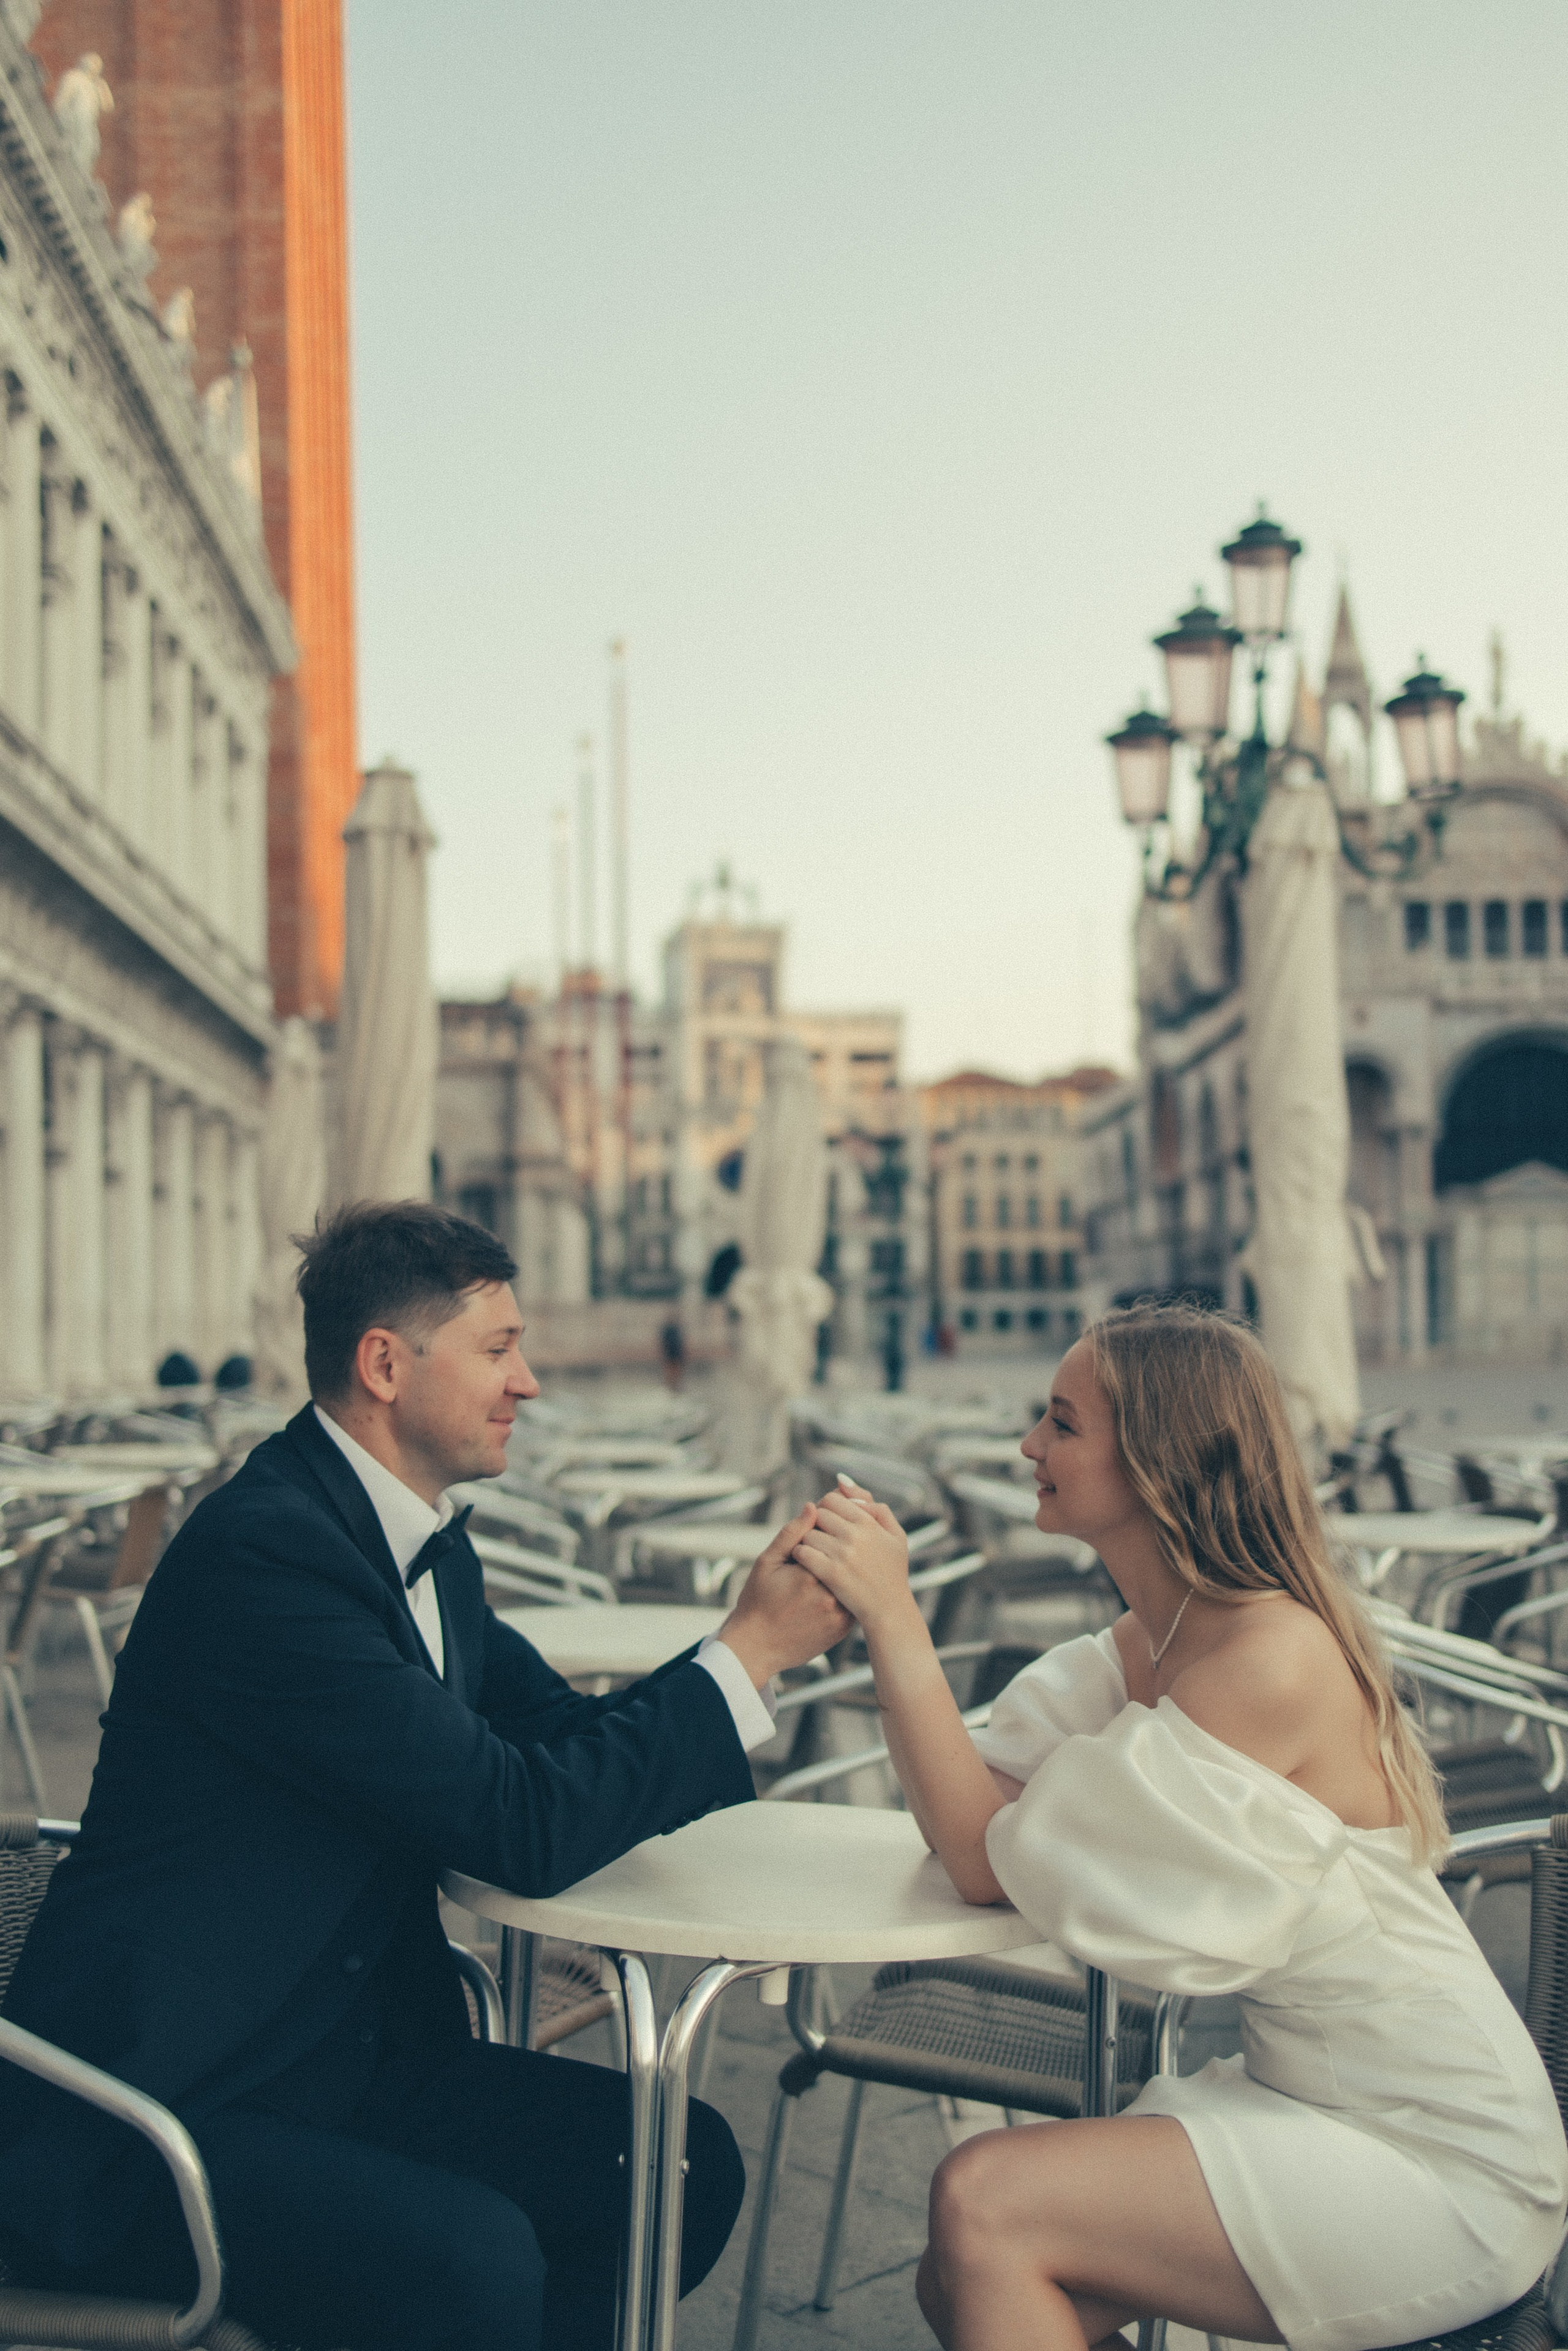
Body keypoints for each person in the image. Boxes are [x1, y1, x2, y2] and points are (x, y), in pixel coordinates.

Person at [0, 1201, 848, 2351]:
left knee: (679, 2164)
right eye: (499, 1348)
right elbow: (518, 1823)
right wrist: (742, 1657)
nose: (528, 1382)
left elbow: (550, 1735)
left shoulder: (423, 1542)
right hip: (162, 2110)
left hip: (346, 2059)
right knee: (474, 2259)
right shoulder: (268, 1553)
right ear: (386, 1365)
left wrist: (742, 1652)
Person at [793, 1302, 1568, 2351]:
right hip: (1311, 2100)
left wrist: (895, 1617)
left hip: (1440, 2154)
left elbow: (979, 1853)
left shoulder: (1270, 1658)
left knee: (986, 2203)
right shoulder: (1152, 1639)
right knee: (958, 2274)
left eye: (1063, 1422)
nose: (1029, 1445)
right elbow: (970, 1801)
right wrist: (889, 1630)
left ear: (1157, 1462)